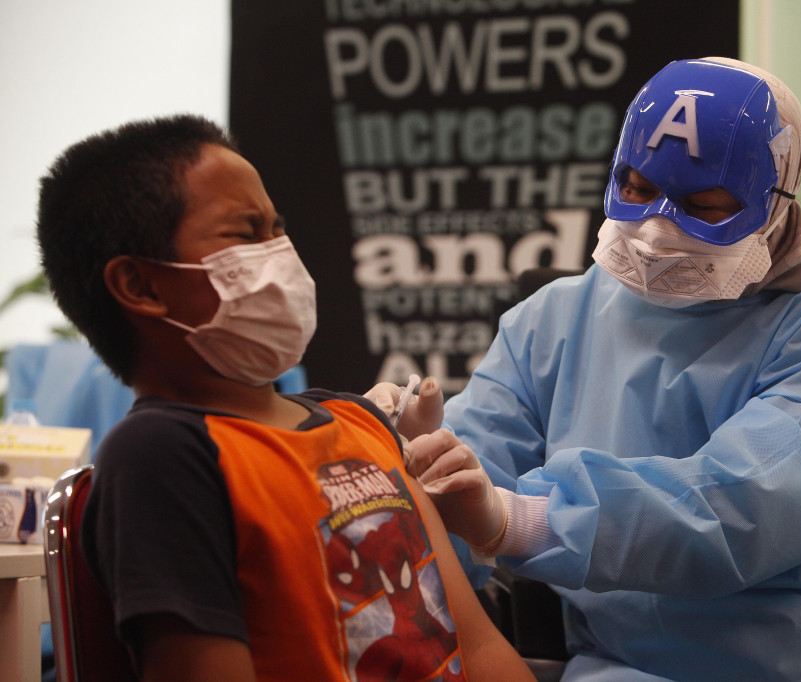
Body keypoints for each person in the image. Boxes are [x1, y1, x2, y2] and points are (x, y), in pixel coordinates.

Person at [370, 58, 801, 681]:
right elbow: (456, 496)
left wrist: (523, 518)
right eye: (636, 189)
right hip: (629, 666)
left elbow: (741, 509)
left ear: (776, 204)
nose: (657, 230)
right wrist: (397, 468)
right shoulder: (551, 322)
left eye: (704, 204)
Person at [35, 114, 534, 682]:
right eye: (246, 234)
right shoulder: (162, 455)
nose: (280, 253)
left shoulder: (361, 423)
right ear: (141, 286)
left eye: (277, 228)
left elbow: (477, 643)